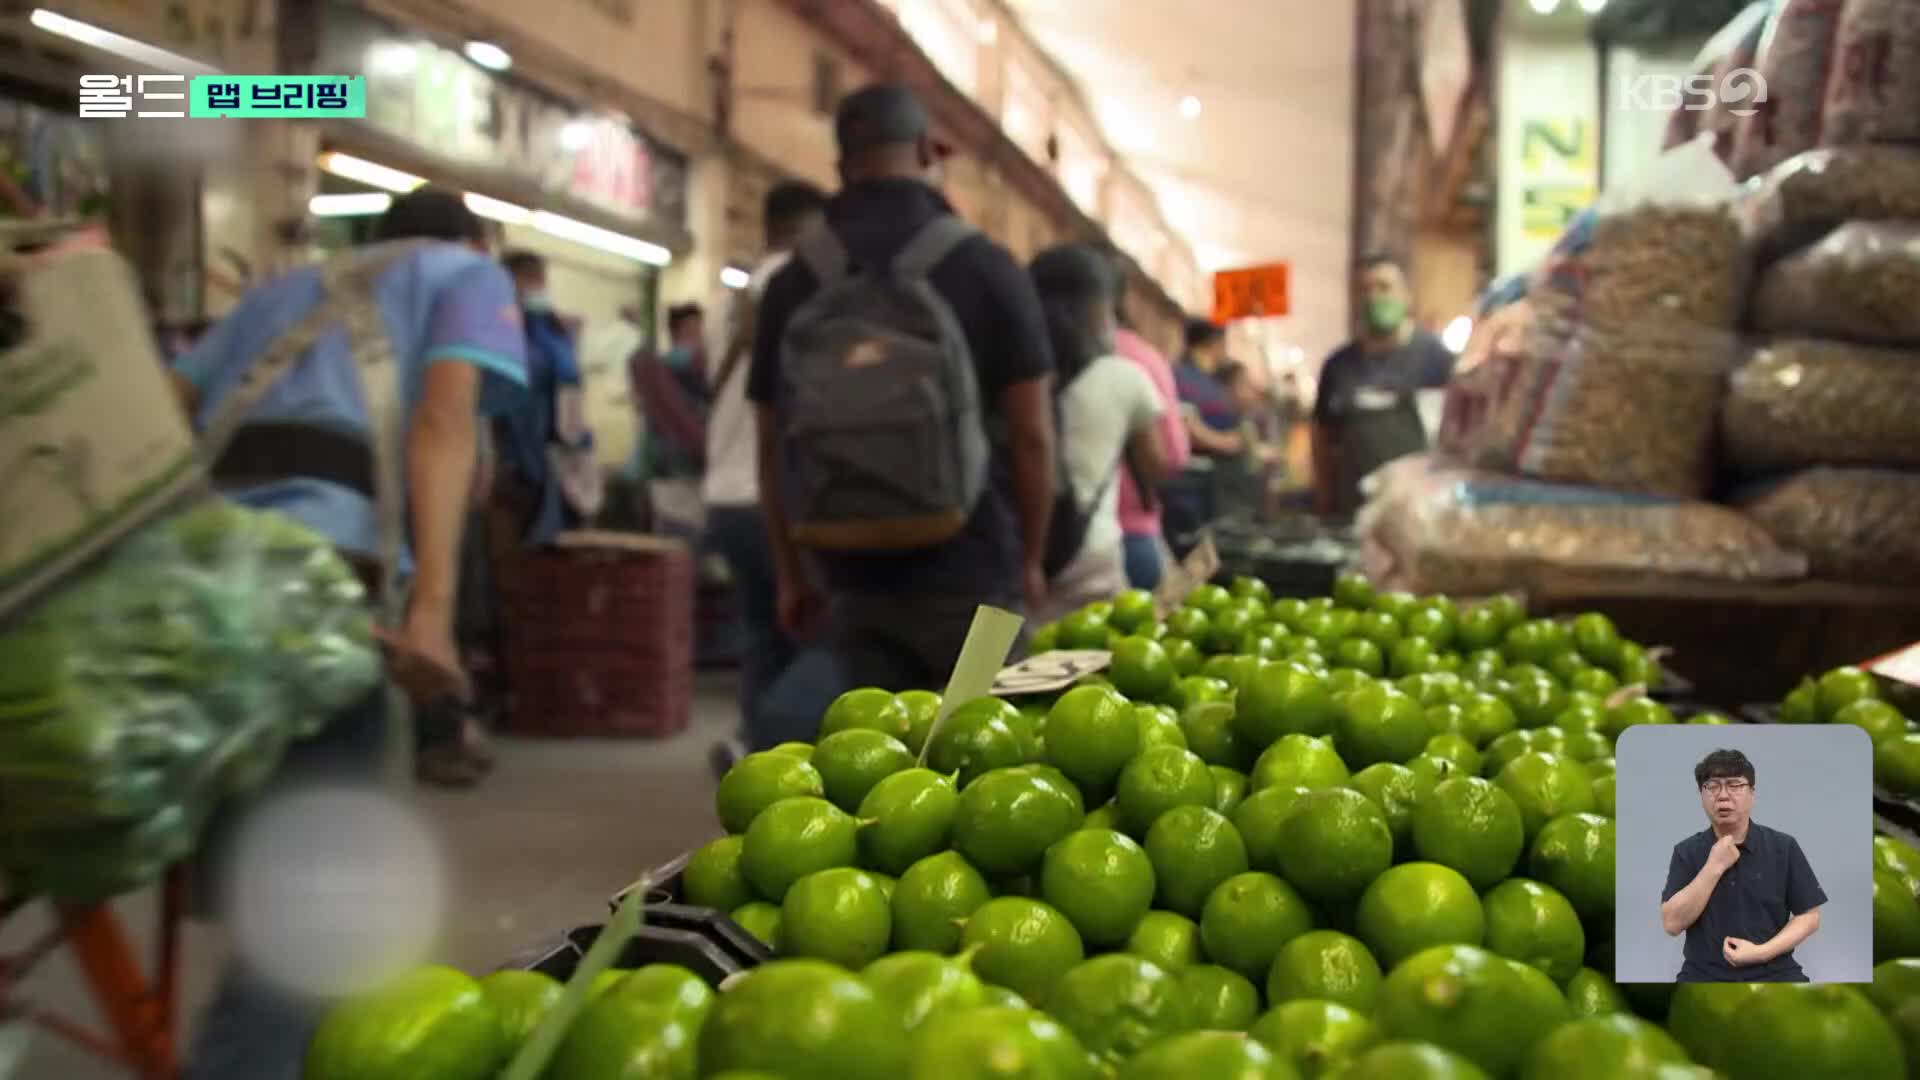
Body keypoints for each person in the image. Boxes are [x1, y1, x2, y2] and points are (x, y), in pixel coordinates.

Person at [169, 186, 527, 1078]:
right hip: (322, 604)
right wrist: (433, 618)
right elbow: (445, 418)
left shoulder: (277, 292)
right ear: (474, 240)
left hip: (205, 586)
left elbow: (168, 401)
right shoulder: (469, 276)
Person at [749, 82, 1055, 710]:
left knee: (882, 761)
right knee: (984, 759)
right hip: (974, 572)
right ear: (926, 150)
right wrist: (1029, 559)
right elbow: (1032, 436)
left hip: (849, 574)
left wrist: (790, 575)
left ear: (840, 166)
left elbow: (770, 447)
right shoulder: (987, 267)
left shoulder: (794, 282)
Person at [705, 180, 828, 771]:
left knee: (760, 637)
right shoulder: (813, 290)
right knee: (813, 638)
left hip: (722, 496)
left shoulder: (725, 300)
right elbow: (778, 422)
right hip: (774, 495)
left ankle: (752, 758)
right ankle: (778, 762)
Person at [1028, 244, 1167, 622]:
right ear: (1099, 308)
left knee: (1003, 675)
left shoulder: (1012, 374)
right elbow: (1157, 463)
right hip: (1091, 561)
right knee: (1099, 668)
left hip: (1018, 565)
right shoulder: (1124, 376)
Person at [1659, 748, 1826, 982]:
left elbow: (1810, 917)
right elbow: (1672, 923)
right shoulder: (1687, 851)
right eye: (1712, 787)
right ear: (1701, 795)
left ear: (1752, 793)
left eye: (1735, 785)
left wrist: (1761, 953)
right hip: (1704, 975)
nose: (1723, 796)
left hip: (1775, 972)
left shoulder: (1783, 847)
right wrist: (1713, 866)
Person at [1311, 253, 1455, 518]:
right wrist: (1325, 500)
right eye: (1366, 289)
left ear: (1406, 296)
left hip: (1417, 512)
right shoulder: (1337, 366)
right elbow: (1321, 436)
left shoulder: (1437, 360)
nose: (1374, 296)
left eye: (1384, 287)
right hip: (1354, 508)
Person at [1112, 301, 1189, 589]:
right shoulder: (1138, 357)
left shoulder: (1038, 347)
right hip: (1129, 531)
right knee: (1146, 626)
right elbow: (1172, 456)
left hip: (1037, 545)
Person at [1164, 317, 1244, 551]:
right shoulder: (1181, 377)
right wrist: (1226, 442)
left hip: (1215, 485)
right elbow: (1184, 421)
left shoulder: (1209, 379)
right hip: (1189, 488)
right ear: (1214, 343)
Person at [635, 301, 709, 542]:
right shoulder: (664, 371)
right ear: (677, 332)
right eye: (693, 331)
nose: (699, 338)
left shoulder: (701, 372)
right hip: (673, 474)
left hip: (682, 475)